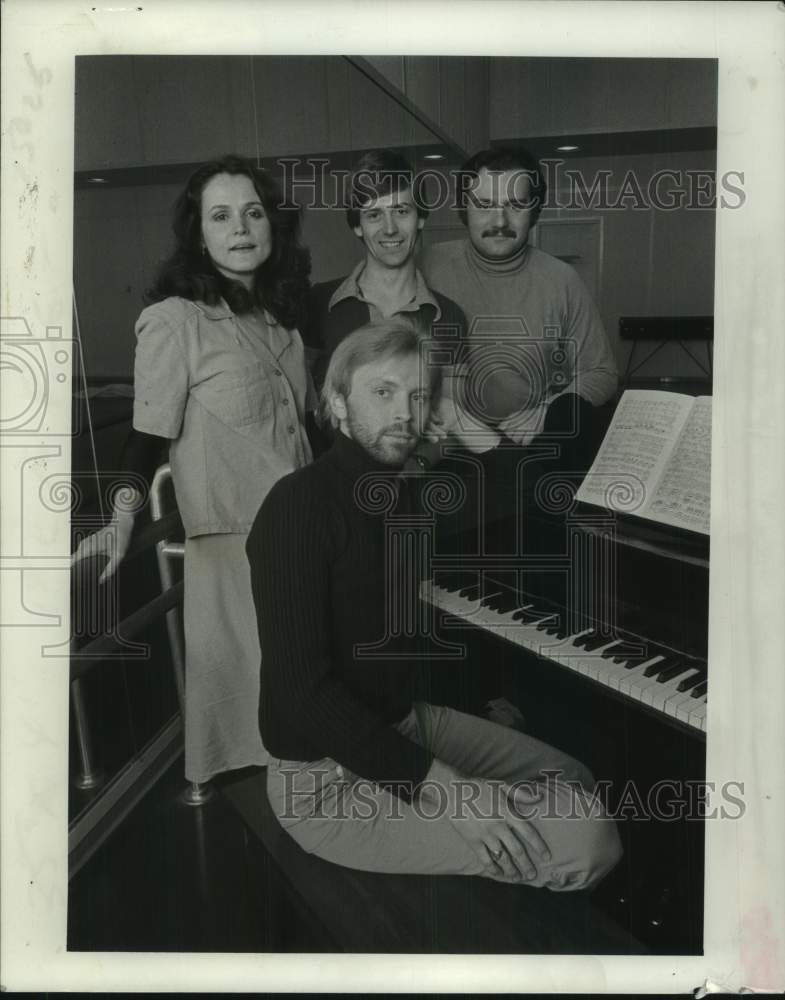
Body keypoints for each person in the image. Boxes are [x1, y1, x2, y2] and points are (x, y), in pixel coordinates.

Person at [246, 322, 622, 889]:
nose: (405, 412)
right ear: (338, 404)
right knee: (589, 839)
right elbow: (302, 695)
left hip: (402, 725)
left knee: (572, 778)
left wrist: (459, 417)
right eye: (383, 391)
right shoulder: (297, 506)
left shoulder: (404, 492)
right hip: (324, 781)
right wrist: (450, 789)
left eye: (418, 396)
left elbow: (536, 489)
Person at [72, 154, 314, 785]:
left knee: (313, 720)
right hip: (236, 556)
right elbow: (145, 439)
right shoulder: (173, 322)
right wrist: (122, 521)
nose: (241, 229)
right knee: (260, 735)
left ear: (272, 225)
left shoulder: (279, 318)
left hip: (305, 538)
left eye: (253, 213)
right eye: (221, 216)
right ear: (199, 235)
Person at [421, 146, 618, 459]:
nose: (499, 220)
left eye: (515, 205)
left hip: (522, 443)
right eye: (484, 204)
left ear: (535, 211)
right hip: (442, 445)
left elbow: (601, 372)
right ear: (463, 208)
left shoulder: (562, 280)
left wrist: (549, 409)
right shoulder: (426, 267)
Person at [304, 148, 466, 396]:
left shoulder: (449, 316)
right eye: (374, 215)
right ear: (357, 225)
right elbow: (302, 401)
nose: (390, 228)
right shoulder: (317, 304)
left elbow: (451, 410)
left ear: (420, 218)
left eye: (401, 211)